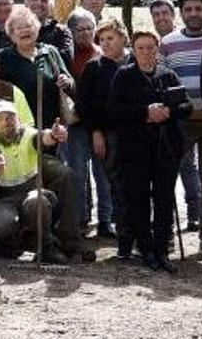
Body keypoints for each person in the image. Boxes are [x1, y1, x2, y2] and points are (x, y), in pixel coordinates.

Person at [108, 30, 191, 273]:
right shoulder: (124, 76)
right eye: (141, 48)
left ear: (157, 49)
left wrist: (168, 112)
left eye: (150, 47)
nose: (146, 52)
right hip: (135, 149)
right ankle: (146, 249)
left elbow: (185, 106)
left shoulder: (168, 75)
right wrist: (145, 112)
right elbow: (114, 111)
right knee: (139, 199)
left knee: (165, 199)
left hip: (166, 148)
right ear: (133, 50)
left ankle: (162, 250)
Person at [160, 0, 202, 257]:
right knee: (166, 176)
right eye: (188, 9)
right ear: (181, 12)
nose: (193, 14)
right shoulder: (169, 42)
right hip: (181, 122)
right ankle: (165, 235)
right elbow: (162, 79)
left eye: (198, 9)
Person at [0, 102, 92, 263]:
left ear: (18, 119)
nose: (6, 122)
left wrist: (54, 135)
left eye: (10, 117)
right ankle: (23, 244)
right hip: (4, 200)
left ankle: (47, 247)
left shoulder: (28, 134)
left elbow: (43, 137)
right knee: (1, 223)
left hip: (30, 194)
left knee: (38, 202)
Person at [78, 18, 134, 257]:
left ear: (123, 37)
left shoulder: (136, 60)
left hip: (137, 134)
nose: (106, 43)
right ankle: (120, 236)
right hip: (107, 134)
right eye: (101, 40)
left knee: (138, 186)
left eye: (110, 38)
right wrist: (96, 132)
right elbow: (84, 104)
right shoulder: (94, 67)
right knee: (117, 185)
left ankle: (141, 235)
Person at [64, 9, 114, 238]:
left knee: (103, 172)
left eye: (89, 28)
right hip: (75, 124)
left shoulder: (102, 54)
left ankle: (106, 220)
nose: (85, 33)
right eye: (80, 29)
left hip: (100, 123)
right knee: (77, 172)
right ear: (71, 32)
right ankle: (81, 219)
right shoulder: (66, 55)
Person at [0, 8, 74, 151]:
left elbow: (70, 83)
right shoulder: (3, 58)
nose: (25, 30)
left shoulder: (50, 52)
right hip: (19, 130)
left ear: (37, 29)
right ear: (12, 35)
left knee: (53, 170)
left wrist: (67, 81)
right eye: (19, 28)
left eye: (29, 26)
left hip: (53, 128)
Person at [149, 0, 197, 223]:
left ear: (173, 15)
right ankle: (165, 215)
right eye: (156, 15)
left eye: (164, 13)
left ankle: (195, 212)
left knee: (187, 164)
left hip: (184, 110)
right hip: (160, 114)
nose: (160, 18)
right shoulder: (150, 42)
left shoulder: (180, 39)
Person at [24, 0, 73, 66]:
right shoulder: (13, 29)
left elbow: (65, 59)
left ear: (50, 6)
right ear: (26, 3)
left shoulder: (61, 32)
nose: (39, 3)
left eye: (44, 0)